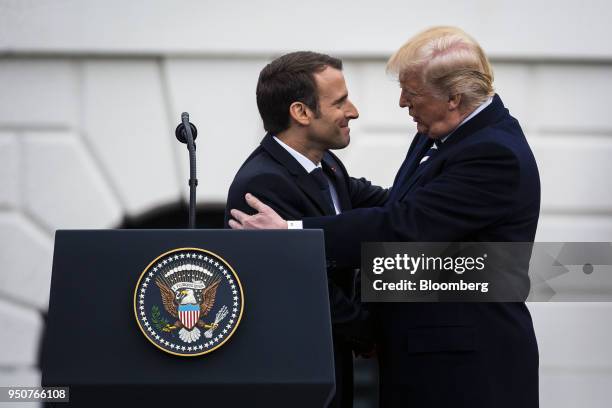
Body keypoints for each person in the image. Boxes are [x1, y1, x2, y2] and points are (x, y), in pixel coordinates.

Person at [229, 27, 540, 408]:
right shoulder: (439, 131)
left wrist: (292, 232)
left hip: (465, 372)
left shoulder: (493, 152)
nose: (402, 102)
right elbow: (399, 205)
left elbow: (403, 225)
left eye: (412, 93)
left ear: (453, 98)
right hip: (424, 363)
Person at [224, 51, 388, 407]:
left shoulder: (327, 164)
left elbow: (388, 205)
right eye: (340, 102)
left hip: (328, 371)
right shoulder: (263, 185)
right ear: (300, 112)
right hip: (293, 380)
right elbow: (304, 284)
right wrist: (370, 331)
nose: (353, 111)